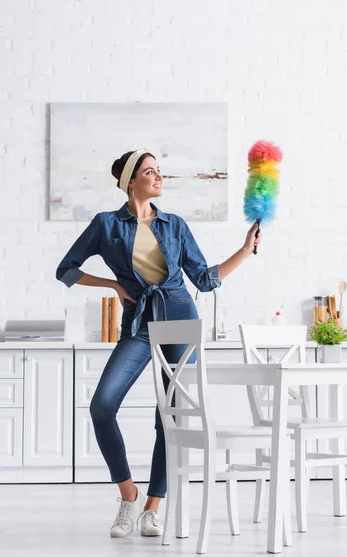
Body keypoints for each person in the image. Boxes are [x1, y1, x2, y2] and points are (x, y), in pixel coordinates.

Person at [56, 149, 262, 539]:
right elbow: (65, 269)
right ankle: (128, 495)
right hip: (139, 324)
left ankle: (153, 507)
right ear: (130, 182)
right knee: (102, 405)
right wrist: (113, 284)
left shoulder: (175, 225)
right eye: (150, 172)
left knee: (170, 417)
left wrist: (246, 249)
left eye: (159, 171)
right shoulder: (106, 224)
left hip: (181, 321)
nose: (159, 177)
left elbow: (204, 279)